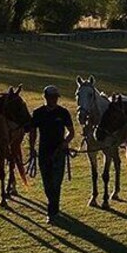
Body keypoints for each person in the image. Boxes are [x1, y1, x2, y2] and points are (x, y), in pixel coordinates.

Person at [28, 85, 75, 224]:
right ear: (46, 97)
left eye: (56, 97)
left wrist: (65, 142)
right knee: (47, 183)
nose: (54, 100)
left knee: (56, 182)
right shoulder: (38, 113)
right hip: (44, 152)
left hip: (59, 153)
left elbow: (71, 132)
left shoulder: (63, 113)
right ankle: (54, 207)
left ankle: (52, 211)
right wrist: (31, 148)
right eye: (52, 97)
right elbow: (32, 132)